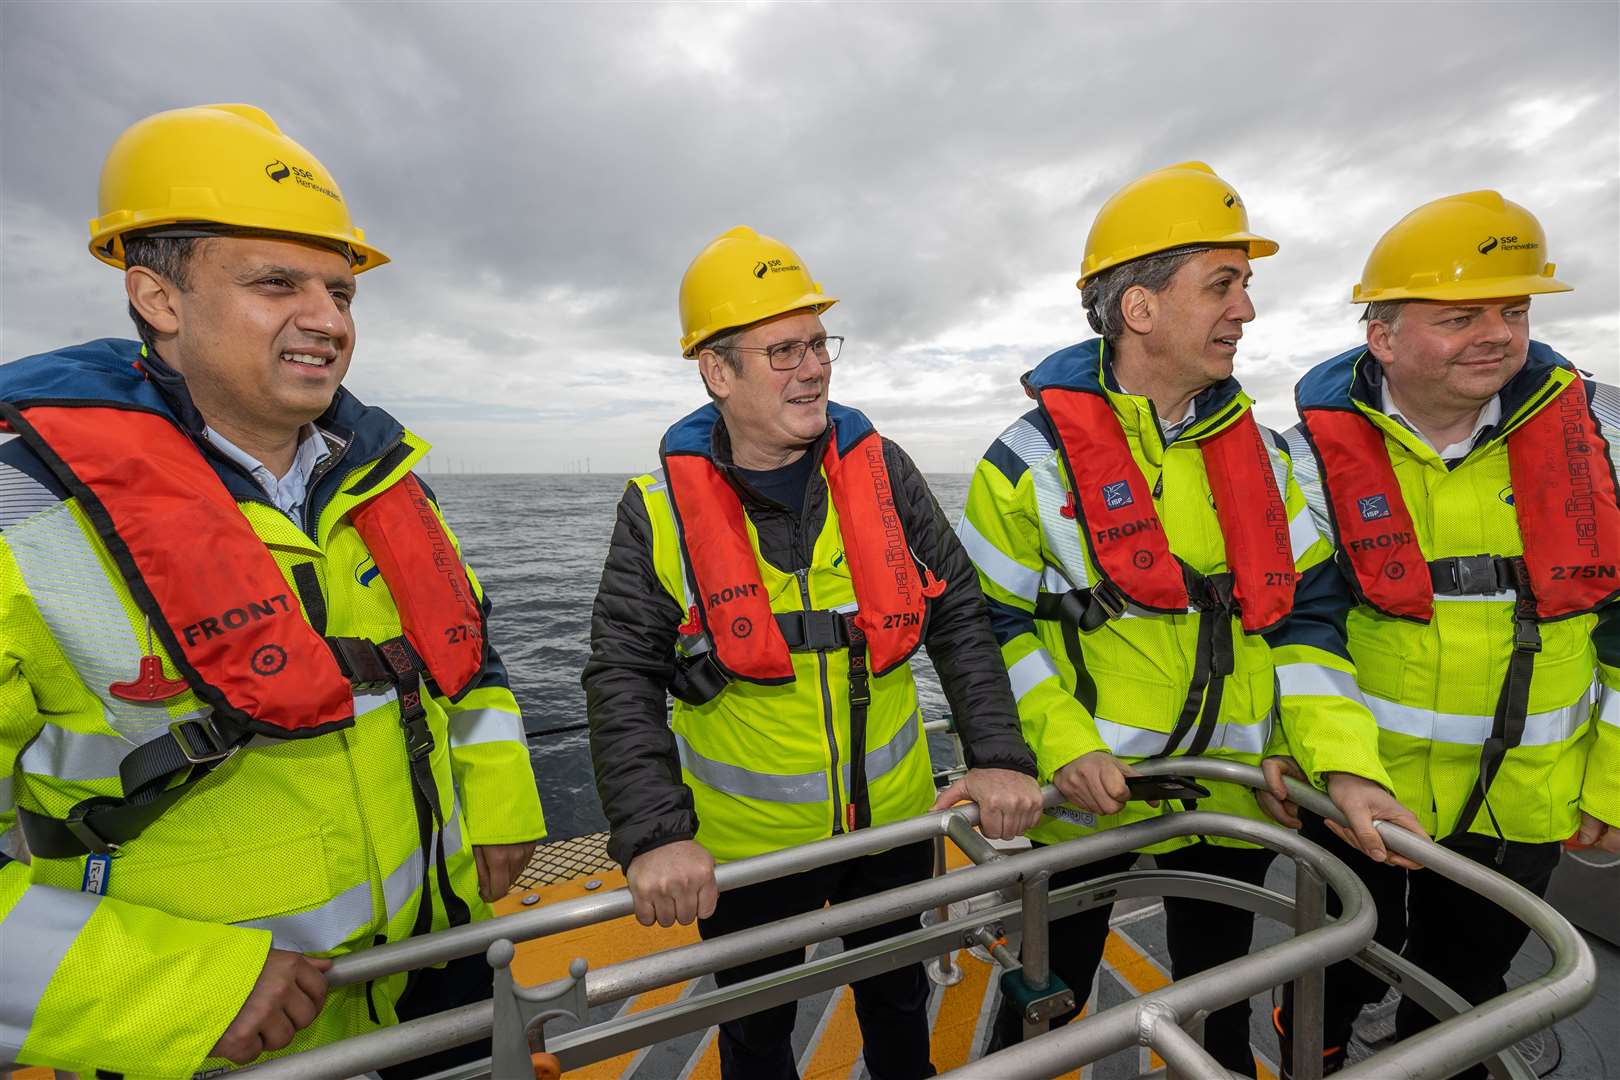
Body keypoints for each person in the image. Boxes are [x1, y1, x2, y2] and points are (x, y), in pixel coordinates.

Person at [0, 104, 545, 1078]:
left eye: (340, 291)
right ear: (156, 297)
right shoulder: (25, 520)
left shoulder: (383, 484)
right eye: (275, 283)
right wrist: (178, 990)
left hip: (435, 969)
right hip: (212, 1040)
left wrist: (500, 803)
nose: (328, 320)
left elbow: (468, 658)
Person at [956, 162, 1420, 1075]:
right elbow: (987, 626)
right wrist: (1061, 747)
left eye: (1245, 285)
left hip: (1235, 797)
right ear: (1140, 309)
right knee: (1047, 1010)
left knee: (1221, 1003)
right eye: (1223, 283)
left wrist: (1339, 762)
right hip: (1082, 804)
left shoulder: (1271, 460)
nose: (1245, 308)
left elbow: (1306, 624)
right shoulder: (1026, 462)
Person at [582, 225, 1044, 1080]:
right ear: (717, 372)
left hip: (896, 826)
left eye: (819, 344)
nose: (815, 368)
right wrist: (653, 835)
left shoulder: (885, 472)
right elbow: (623, 673)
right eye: (783, 350)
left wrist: (998, 756)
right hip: (751, 852)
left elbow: (960, 618)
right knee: (756, 1033)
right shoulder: (657, 509)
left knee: (900, 1003)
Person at [1274, 190, 1620, 1077]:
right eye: (1460, 315)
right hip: (1359, 798)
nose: (1497, 334)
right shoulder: (1303, 460)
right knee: (1333, 971)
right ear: (1381, 336)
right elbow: (1300, 629)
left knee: (1466, 990)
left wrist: (1615, 785)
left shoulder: (1606, 436)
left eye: (1515, 309)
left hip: (1529, 800)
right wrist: (1337, 767)